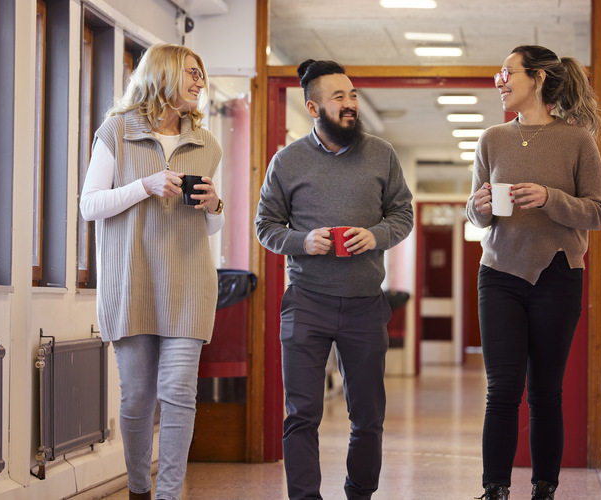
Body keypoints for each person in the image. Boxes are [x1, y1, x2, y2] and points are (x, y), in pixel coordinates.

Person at [254, 59, 414, 500]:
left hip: (365, 302)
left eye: (353, 95)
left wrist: (376, 235)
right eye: (339, 97)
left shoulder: (381, 154)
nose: (350, 105)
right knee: (301, 414)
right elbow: (265, 226)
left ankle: (359, 493)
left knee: (368, 417)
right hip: (307, 301)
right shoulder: (286, 162)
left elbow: (403, 214)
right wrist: (304, 242)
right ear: (313, 107)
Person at [79, 43, 223, 500]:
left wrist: (215, 205)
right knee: (138, 397)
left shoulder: (207, 143)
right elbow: (89, 205)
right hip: (132, 281)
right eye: (192, 74)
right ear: (162, 74)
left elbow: (214, 225)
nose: (200, 83)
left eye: (201, 75)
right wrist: (144, 185)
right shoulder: (117, 131)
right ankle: (140, 489)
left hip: (188, 284)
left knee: (178, 394)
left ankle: (168, 495)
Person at [466, 45, 601, 500]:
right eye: (498, 73)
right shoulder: (491, 139)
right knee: (501, 390)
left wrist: (550, 198)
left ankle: (544, 488)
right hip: (499, 274)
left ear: (539, 78)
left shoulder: (577, 140)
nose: (499, 81)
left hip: (558, 275)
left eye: (507, 72)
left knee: (545, 391)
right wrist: (479, 207)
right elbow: (476, 212)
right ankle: (495, 490)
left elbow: (597, 213)